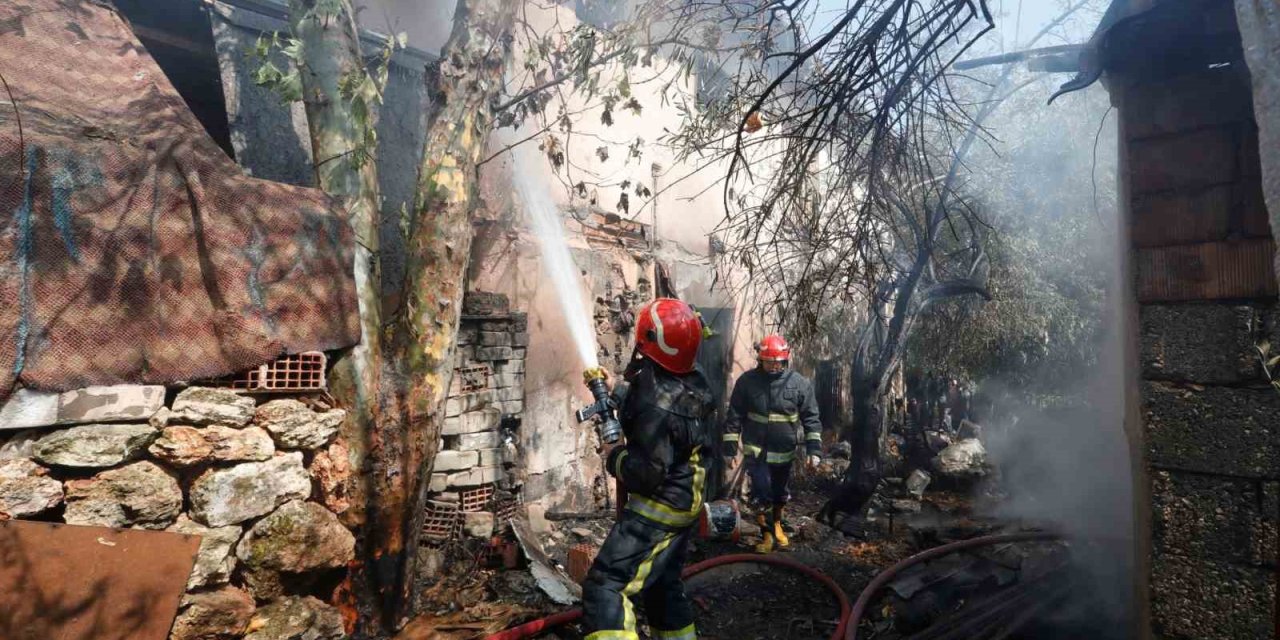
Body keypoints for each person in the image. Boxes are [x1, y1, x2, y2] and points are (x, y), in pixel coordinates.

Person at [581, 298, 714, 640]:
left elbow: (645, 473)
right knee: (661, 585)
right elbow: (666, 409)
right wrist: (619, 389)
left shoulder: (656, 401)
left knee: (606, 586)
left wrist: (614, 455)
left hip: (659, 508)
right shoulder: (693, 380)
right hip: (686, 501)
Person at [721, 334, 822, 553]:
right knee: (761, 492)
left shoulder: (798, 383)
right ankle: (766, 534)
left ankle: (777, 526)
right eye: (769, 361)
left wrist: (814, 450)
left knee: (779, 493)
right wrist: (729, 450)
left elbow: (811, 418)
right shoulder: (747, 382)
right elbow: (734, 417)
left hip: (784, 452)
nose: (774, 366)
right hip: (756, 451)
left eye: (778, 362)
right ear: (761, 360)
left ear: (785, 360)